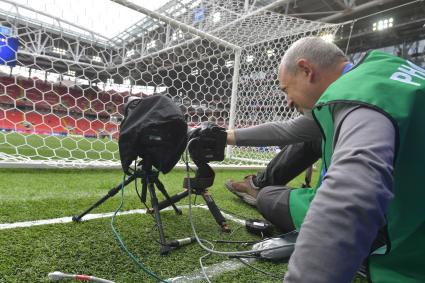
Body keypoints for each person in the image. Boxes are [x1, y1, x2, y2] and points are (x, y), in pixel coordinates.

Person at [216, 37, 424, 282]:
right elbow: (290, 130)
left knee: (268, 196)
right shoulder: (383, 71)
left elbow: (352, 194)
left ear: (306, 70)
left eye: (286, 90)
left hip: (403, 238)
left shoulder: (358, 100)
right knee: (312, 138)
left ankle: (260, 190)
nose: (288, 101)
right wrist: (225, 137)